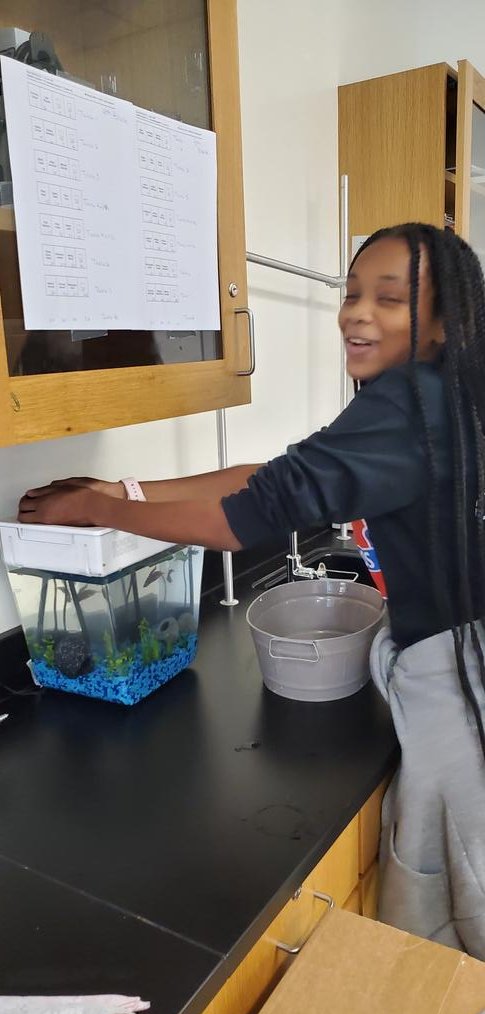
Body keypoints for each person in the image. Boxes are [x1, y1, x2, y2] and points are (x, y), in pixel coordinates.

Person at [19, 223, 485, 957]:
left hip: (461, 689)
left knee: (453, 892)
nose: (356, 314)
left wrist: (99, 509)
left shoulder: (407, 405)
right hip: (460, 662)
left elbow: (246, 519)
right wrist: (120, 487)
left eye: (390, 300)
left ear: (440, 321)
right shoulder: (442, 396)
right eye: (352, 293)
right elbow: (273, 481)